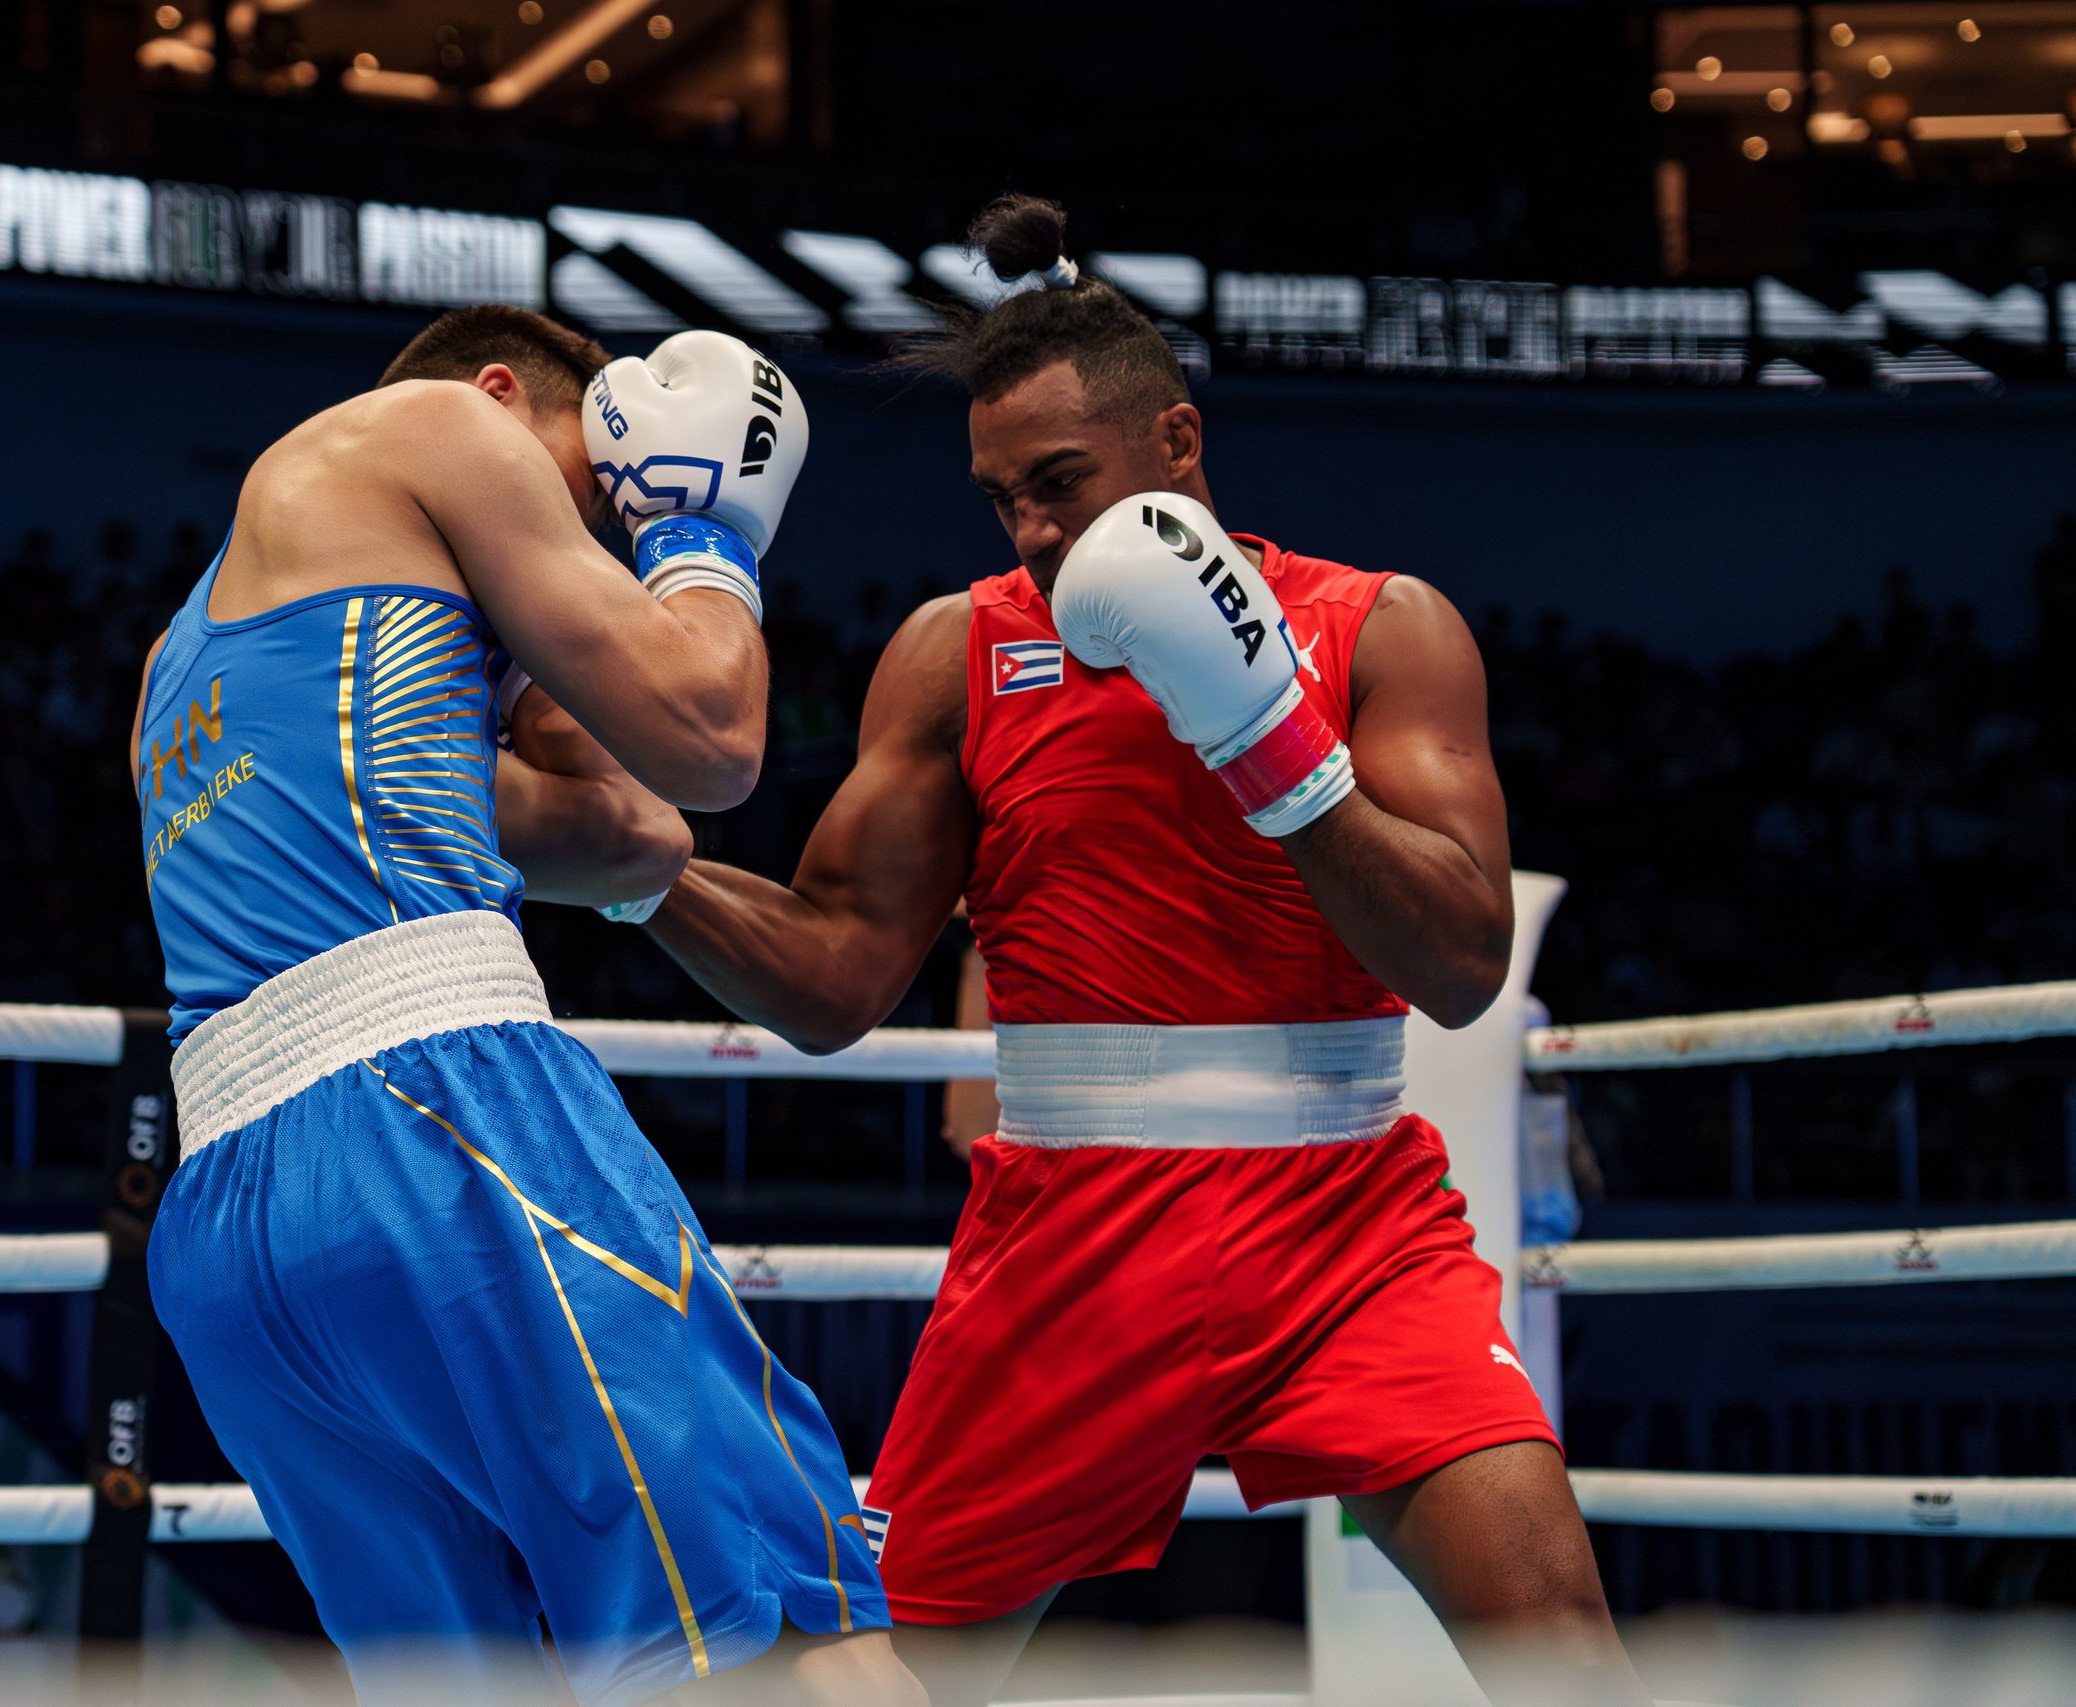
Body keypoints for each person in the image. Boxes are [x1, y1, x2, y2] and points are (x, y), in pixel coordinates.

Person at [631, 199, 1649, 1707]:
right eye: (1002, 501)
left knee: (1564, 1648)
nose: (1035, 535)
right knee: (885, 1681)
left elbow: (1459, 963)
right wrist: (638, 875)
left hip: (1351, 1225)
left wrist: (1269, 741)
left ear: (1177, 444)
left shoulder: (1380, 630)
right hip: (1072, 1244)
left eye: (1061, 484)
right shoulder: (956, 651)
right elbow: (840, 972)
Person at [132, 306, 920, 1707]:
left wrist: (535, 676)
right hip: (436, 1120)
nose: (587, 566)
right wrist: (699, 535)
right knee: (790, 1629)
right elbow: (714, 738)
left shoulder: (197, 659)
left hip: (230, 1238)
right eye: (582, 509)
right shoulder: (439, 430)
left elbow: (637, 841)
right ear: (501, 400)